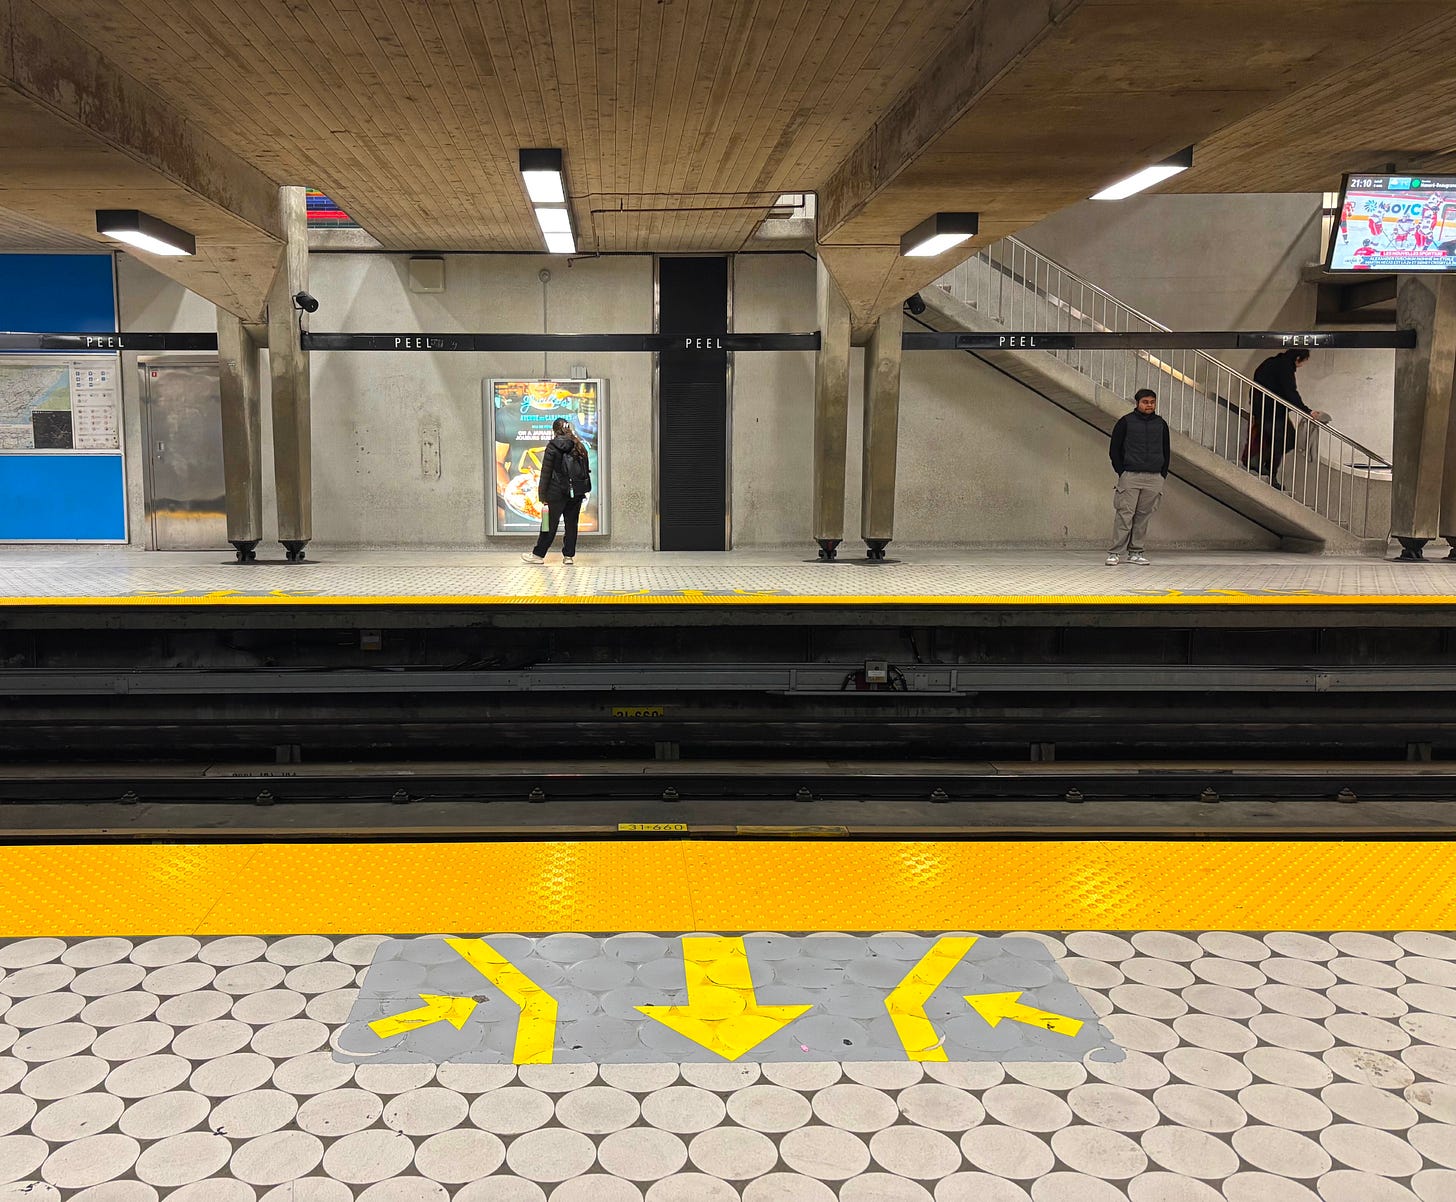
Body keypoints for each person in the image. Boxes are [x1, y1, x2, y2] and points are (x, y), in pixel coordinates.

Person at [1247, 349, 1329, 488]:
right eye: (1303, 362)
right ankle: (1266, 471)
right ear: (1298, 358)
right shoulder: (1285, 367)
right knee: (1285, 440)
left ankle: (1263, 467)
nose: (1301, 365)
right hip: (1272, 410)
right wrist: (1307, 411)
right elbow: (1290, 392)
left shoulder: (1270, 362)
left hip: (1262, 408)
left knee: (1278, 439)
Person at [1106, 389, 1170, 566]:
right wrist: (1122, 472)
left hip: (1154, 477)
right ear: (1138, 403)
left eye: (1152, 402)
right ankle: (1115, 553)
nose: (1149, 405)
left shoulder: (1161, 424)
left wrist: (1162, 474)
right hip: (1130, 476)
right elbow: (1114, 450)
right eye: (1145, 402)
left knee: (1143, 516)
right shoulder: (1125, 422)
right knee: (1125, 515)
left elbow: (1166, 450)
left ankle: (1136, 552)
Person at [521, 418, 592, 565]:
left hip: (556, 492)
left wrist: (542, 495)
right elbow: (585, 471)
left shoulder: (553, 446)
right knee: (571, 525)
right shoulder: (579, 446)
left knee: (549, 524)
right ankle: (568, 556)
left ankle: (538, 555)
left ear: (554, 431)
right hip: (576, 493)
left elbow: (546, 472)